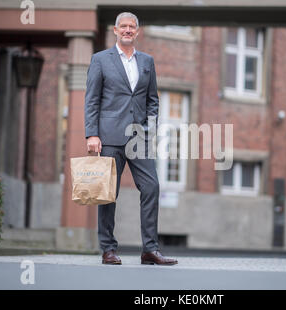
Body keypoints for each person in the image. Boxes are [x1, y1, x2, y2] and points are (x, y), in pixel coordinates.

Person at [84, 12, 178, 266]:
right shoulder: (100, 60)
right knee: (108, 194)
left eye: (132, 27)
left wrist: (151, 128)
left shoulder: (147, 61)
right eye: (123, 26)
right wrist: (92, 133)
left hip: (139, 138)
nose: (127, 30)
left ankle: (150, 249)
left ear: (138, 32)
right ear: (115, 30)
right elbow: (92, 99)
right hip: (109, 136)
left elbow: (152, 100)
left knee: (151, 187)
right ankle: (108, 249)